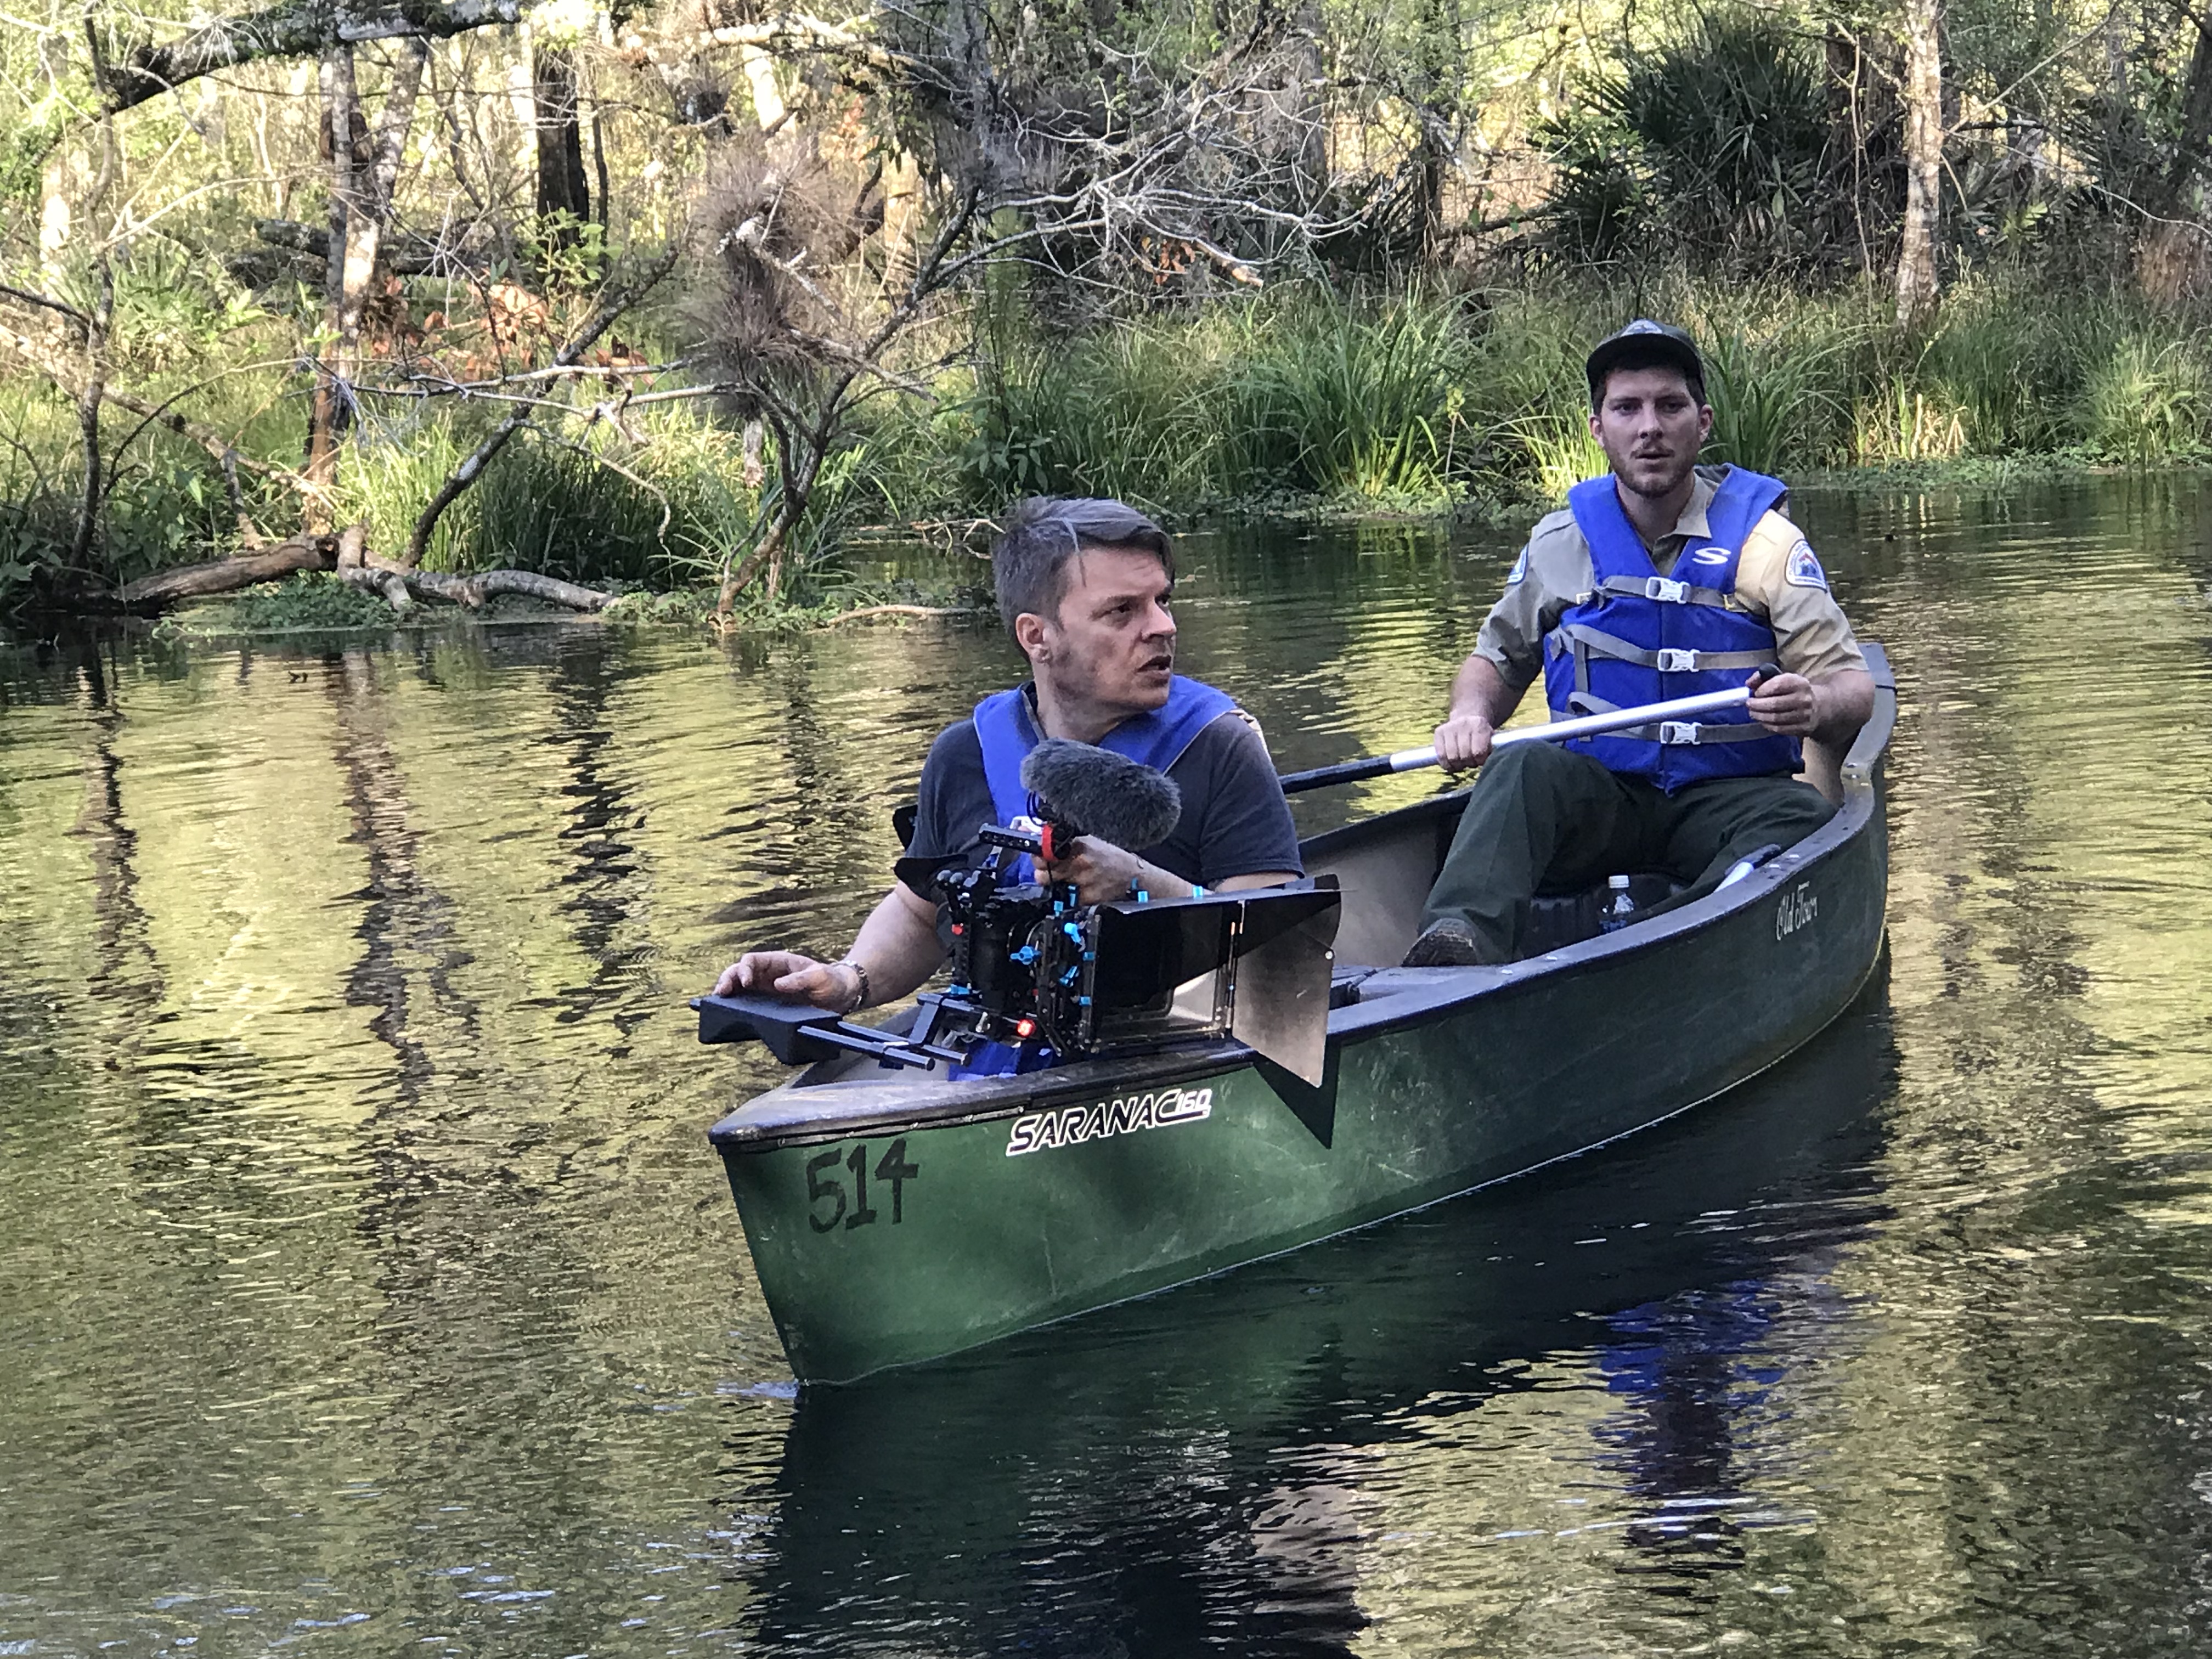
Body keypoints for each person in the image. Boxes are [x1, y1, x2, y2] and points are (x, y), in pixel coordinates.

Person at [713, 495, 1305, 1042]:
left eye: (1162, 601)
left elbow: (1286, 958)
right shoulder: (965, 754)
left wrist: (1140, 884)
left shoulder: (1219, 744)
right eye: (1122, 611)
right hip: (1005, 1051)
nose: (1163, 627)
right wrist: (847, 981)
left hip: (1173, 1046)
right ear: (1037, 636)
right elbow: (919, 915)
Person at [1402, 320, 1877, 968]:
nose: (1649, 427)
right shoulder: (1558, 543)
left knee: (1803, 817)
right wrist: (1468, 716)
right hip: (1601, 797)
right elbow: (1495, 662)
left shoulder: (1766, 544)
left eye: (1669, 406)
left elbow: (1853, 689)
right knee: (1520, 769)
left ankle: (1658, 943)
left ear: (1702, 424)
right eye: (1627, 409)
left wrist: (1814, 705)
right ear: (1598, 429)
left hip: (1727, 797)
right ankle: (1455, 943)